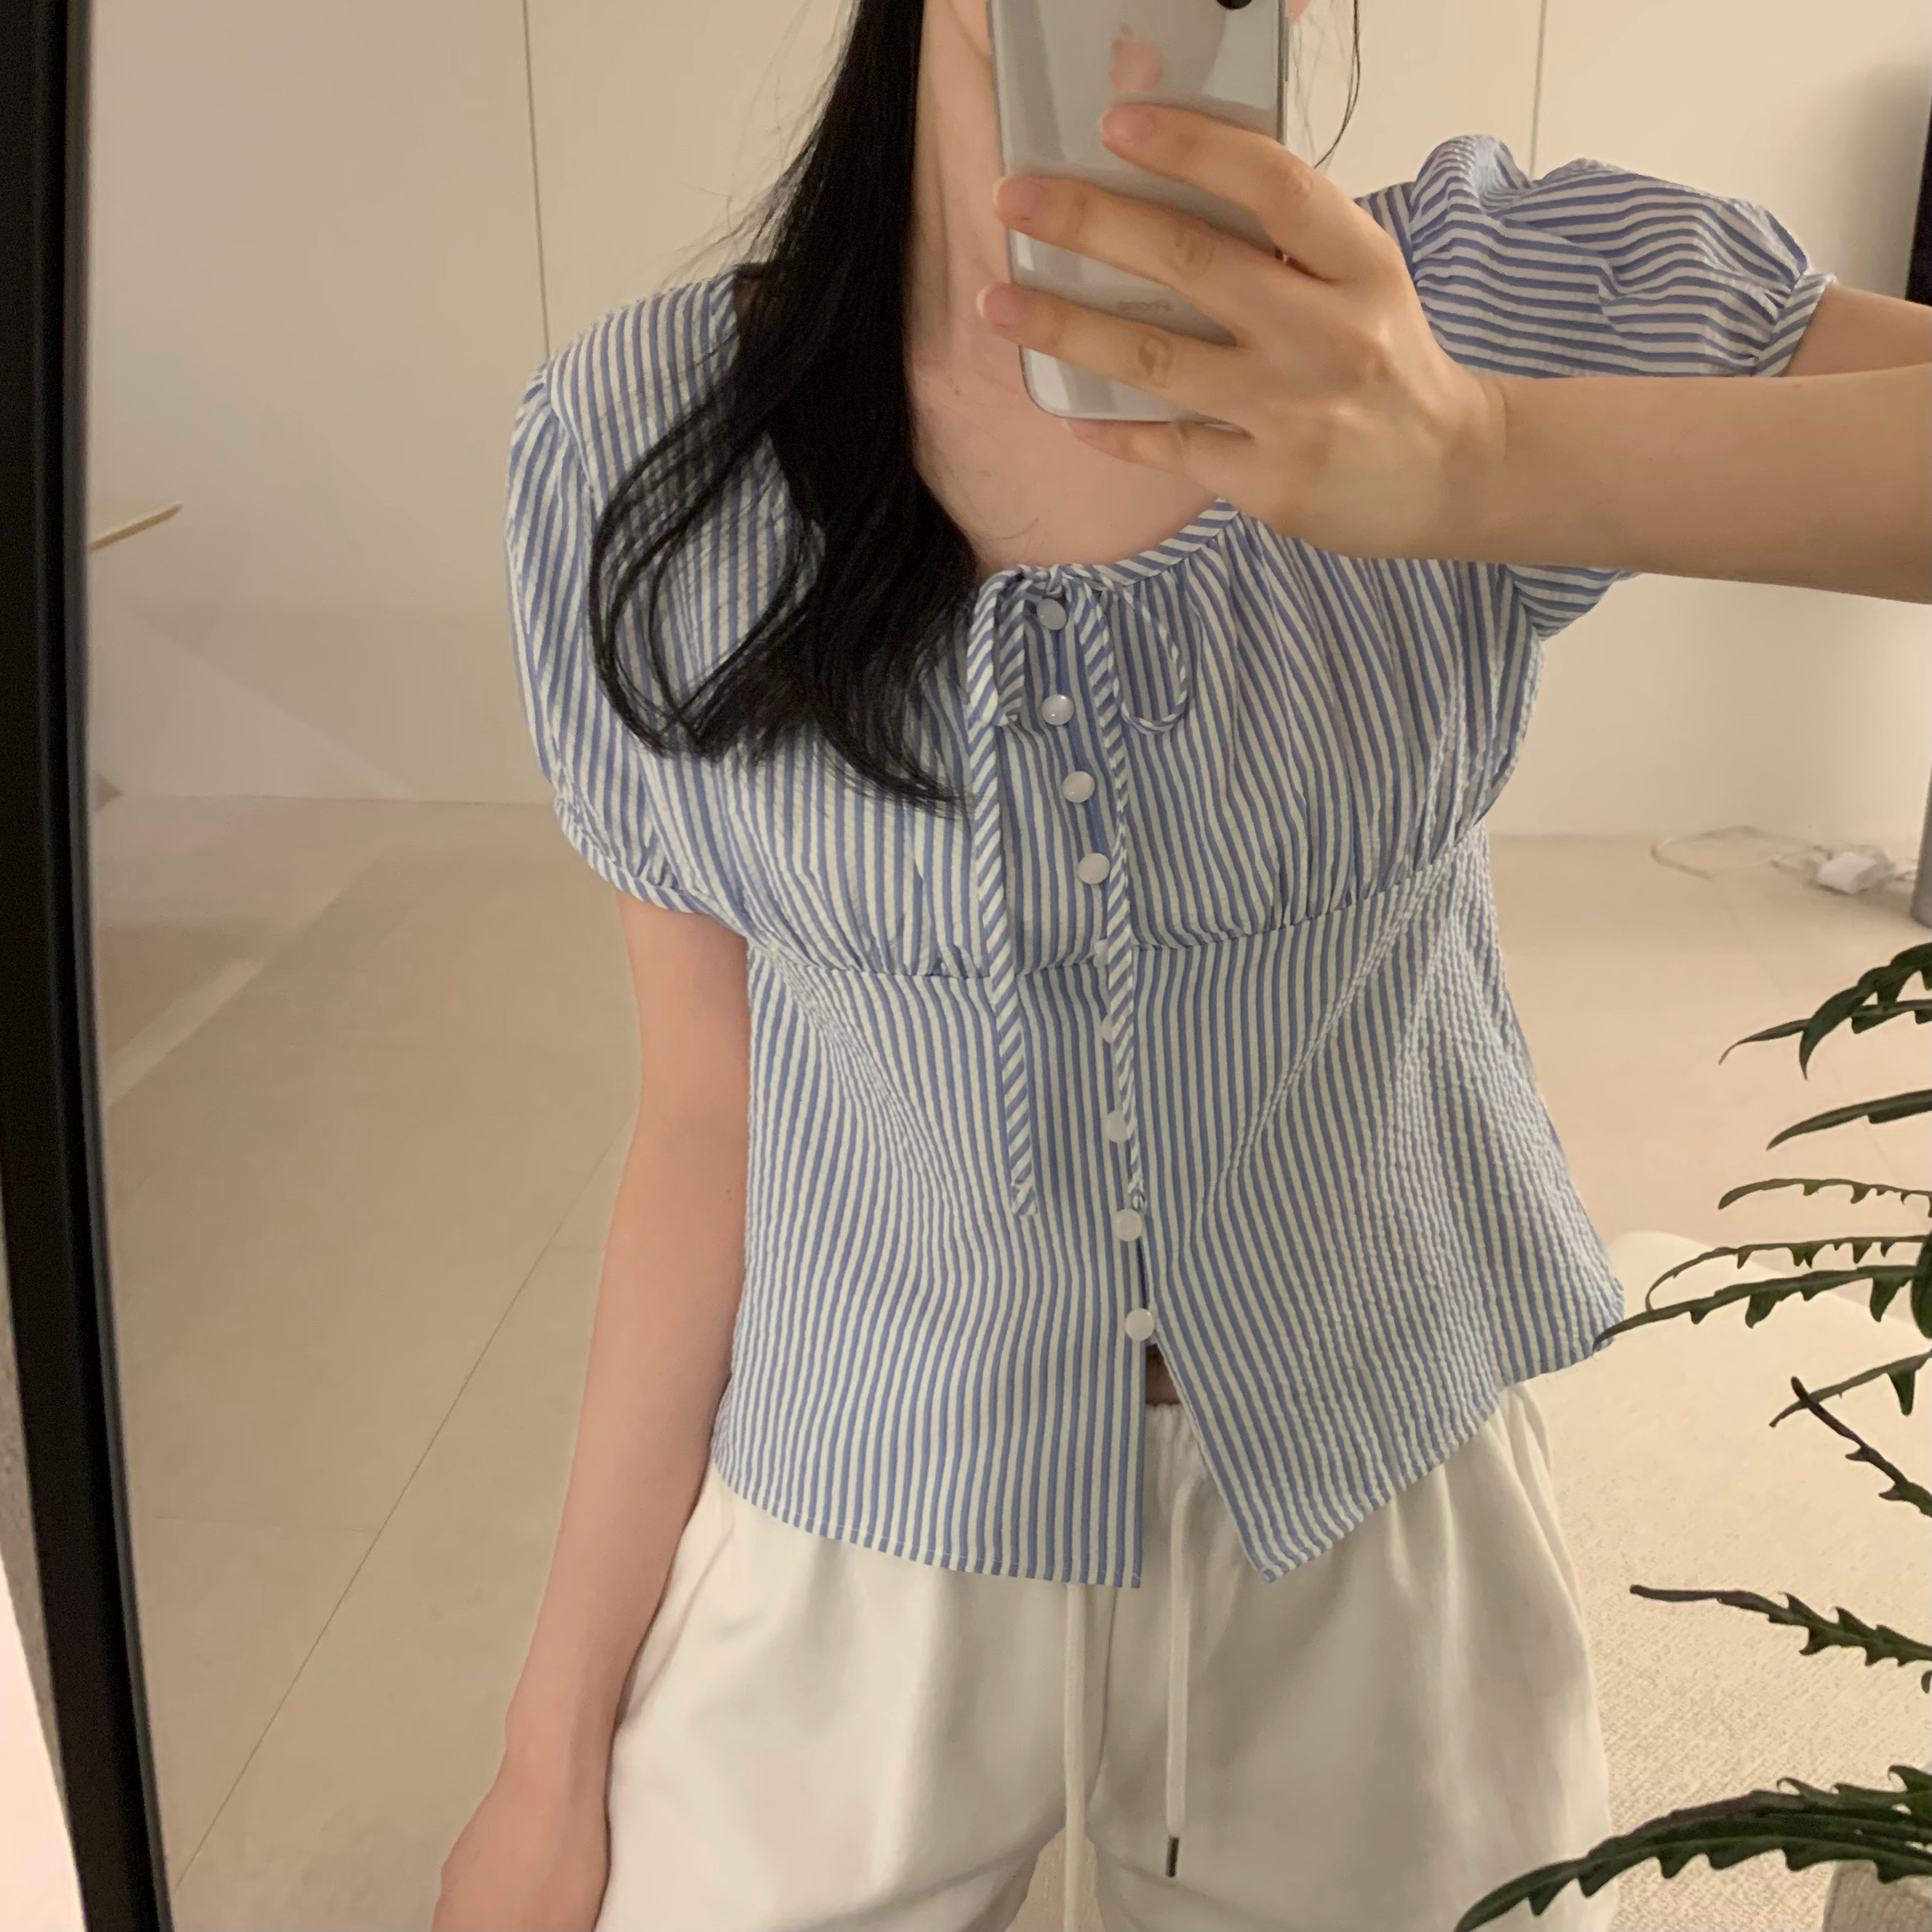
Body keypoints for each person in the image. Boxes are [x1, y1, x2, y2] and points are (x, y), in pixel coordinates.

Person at [434, 1, 1932, 1928]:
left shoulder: (1470, 302)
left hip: (1374, 1507)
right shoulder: (645, 444)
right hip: (859, 1510)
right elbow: (702, 1119)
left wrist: (1485, 454)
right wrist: (549, 1751)